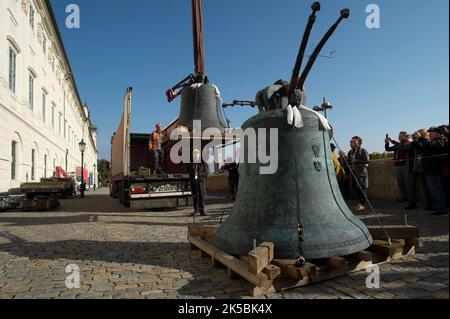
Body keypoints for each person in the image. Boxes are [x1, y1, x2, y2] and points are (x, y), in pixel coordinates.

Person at [414, 127, 448, 217]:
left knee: (437, 191)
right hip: (431, 170)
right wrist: (417, 140)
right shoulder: (434, 141)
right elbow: (421, 149)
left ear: (437, 133)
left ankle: (442, 210)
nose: (429, 134)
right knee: (435, 191)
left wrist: (421, 138)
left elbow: (429, 146)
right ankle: (439, 208)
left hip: (435, 170)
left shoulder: (440, 141)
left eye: (431, 133)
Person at [406, 129, 433, 210]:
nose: (416, 134)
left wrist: (417, 140)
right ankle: (412, 203)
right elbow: (408, 148)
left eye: (418, 133)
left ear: (423, 134)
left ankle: (430, 203)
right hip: (413, 167)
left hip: (421, 167)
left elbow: (421, 148)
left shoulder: (426, 141)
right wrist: (412, 140)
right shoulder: (414, 141)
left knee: (424, 186)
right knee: (411, 186)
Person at [385, 131, 411, 202]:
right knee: (400, 183)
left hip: (404, 165)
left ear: (406, 136)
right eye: (399, 135)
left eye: (401, 135)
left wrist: (391, 140)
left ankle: (410, 199)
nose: (399, 137)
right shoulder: (397, 144)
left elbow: (403, 146)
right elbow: (388, 149)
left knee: (407, 183)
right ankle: (404, 198)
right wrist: (387, 142)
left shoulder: (408, 143)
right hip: (397, 166)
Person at [347, 136, 370, 212]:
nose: (352, 142)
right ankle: (360, 203)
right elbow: (349, 161)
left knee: (362, 188)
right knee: (356, 188)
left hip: (361, 172)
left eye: (354, 141)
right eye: (351, 141)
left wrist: (356, 161)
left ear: (359, 142)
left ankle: (363, 205)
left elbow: (367, 160)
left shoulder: (363, 150)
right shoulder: (350, 152)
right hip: (354, 172)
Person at [189, 149, 208, 216]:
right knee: (194, 195)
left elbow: (205, 173)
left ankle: (201, 210)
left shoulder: (202, 163)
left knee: (201, 195)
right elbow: (189, 171)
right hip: (193, 180)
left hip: (200, 181)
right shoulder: (191, 163)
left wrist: (201, 176)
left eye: (197, 154)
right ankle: (196, 209)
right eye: (194, 154)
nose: (196, 155)